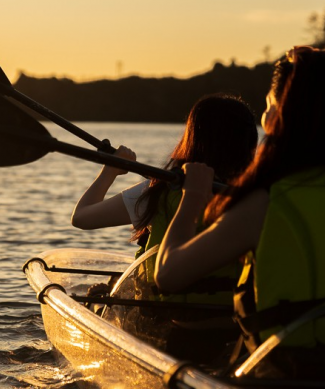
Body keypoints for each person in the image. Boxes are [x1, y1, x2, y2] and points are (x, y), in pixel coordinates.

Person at [155, 46, 325, 381]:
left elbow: (168, 274)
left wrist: (193, 198)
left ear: (282, 117)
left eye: (269, 107)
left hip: (294, 378)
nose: (264, 121)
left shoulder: (269, 202)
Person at [71, 93, 258, 365]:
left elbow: (83, 217)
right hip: (239, 327)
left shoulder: (158, 191)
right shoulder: (260, 195)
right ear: (249, 142)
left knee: (99, 294)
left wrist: (110, 170)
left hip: (167, 325)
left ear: (192, 138)